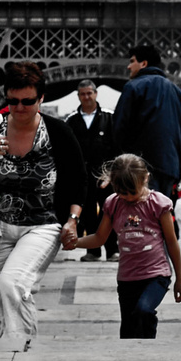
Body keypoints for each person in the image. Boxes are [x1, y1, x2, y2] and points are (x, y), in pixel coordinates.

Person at [0, 61, 86, 349]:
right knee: (4, 300)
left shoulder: (58, 132)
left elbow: (78, 181)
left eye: (28, 101)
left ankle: (21, 351)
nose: (20, 108)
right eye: (12, 101)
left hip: (43, 225)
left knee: (12, 285)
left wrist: (72, 220)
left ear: (41, 99)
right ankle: (14, 349)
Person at [70, 153, 181, 337]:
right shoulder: (113, 204)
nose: (128, 197)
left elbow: (171, 242)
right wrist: (75, 243)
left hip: (156, 275)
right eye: (122, 192)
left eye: (133, 192)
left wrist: (180, 279)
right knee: (128, 328)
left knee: (144, 311)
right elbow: (100, 238)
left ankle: (148, 348)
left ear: (145, 179)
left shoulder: (158, 204)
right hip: (127, 278)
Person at [112, 45, 181, 199]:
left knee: (139, 215)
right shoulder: (178, 92)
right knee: (161, 213)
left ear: (143, 63)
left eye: (132, 61)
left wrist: (119, 158)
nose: (128, 66)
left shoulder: (132, 87)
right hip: (170, 165)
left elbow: (119, 127)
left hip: (138, 165)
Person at [66, 80, 117, 262]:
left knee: (109, 212)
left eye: (89, 93)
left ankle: (112, 249)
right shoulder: (71, 121)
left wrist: (111, 173)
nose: (86, 97)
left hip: (105, 175)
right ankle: (93, 251)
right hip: (83, 175)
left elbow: (117, 148)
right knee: (87, 212)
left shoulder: (111, 117)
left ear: (96, 94)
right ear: (78, 96)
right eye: (83, 94)